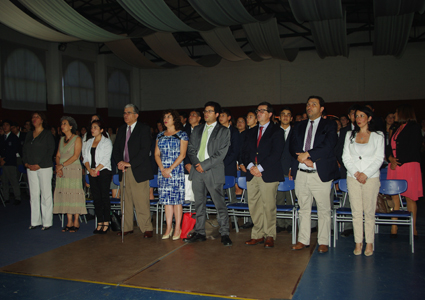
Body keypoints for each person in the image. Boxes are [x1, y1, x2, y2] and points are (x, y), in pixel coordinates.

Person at [290, 96, 339, 253]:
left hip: (320, 172)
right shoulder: (299, 125)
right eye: (308, 104)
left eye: (314, 104)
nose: (309, 107)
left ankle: (323, 241)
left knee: (323, 208)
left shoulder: (329, 124)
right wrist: (301, 157)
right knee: (303, 208)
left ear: (321, 108)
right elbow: (292, 145)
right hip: (301, 172)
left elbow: (329, 144)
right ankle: (303, 240)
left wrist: (310, 156)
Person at [184, 101, 232, 246]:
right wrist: (197, 165)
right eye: (205, 111)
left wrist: (203, 165)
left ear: (217, 114)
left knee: (219, 204)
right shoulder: (197, 129)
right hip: (197, 171)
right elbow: (191, 148)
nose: (206, 113)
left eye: (210, 111)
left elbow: (221, 153)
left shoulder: (223, 131)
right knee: (199, 203)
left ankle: (224, 233)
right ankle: (200, 232)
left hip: (212, 171)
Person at [342, 106, 385, 256]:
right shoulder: (349, 135)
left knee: (369, 211)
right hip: (353, 177)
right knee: (356, 212)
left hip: (370, 178)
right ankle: (358, 242)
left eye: (362, 116)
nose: (359, 119)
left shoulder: (378, 136)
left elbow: (379, 158)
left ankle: (369, 243)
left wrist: (365, 174)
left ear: (369, 118)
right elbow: (345, 157)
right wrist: (356, 173)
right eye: (357, 116)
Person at [242, 102, 284, 248]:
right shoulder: (250, 132)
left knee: (268, 205)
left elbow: (276, 154)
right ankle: (257, 235)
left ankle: (270, 235)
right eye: (257, 111)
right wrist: (250, 166)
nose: (258, 113)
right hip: (252, 173)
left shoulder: (277, 131)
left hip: (268, 173)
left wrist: (259, 167)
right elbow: (244, 153)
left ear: (270, 114)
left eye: (262, 111)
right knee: (254, 205)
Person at [112, 104, 154, 238]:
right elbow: (117, 149)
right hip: (123, 170)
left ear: (136, 115)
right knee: (125, 200)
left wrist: (129, 163)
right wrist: (120, 162)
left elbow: (144, 150)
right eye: (124, 113)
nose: (125, 115)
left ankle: (146, 228)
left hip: (138, 169)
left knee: (141, 200)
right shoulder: (122, 129)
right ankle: (127, 227)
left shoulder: (144, 129)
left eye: (128, 113)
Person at [387, 104, 423, 239]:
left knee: (410, 197)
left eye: (396, 112)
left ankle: (413, 229)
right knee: (394, 196)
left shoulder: (414, 128)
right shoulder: (396, 128)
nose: (394, 114)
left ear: (403, 113)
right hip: (395, 165)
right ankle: (394, 227)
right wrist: (391, 158)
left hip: (408, 165)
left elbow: (414, 147)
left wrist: (398, 160)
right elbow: (389, 145)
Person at [155, 110, 189, 240]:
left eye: (168, 117)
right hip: (162, 171)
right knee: (166, 201)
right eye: (164, 117)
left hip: (175, 170)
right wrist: (163, 168)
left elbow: (183, 155)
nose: (165, 119)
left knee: (176, 201)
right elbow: (157, 154)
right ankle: (168, 227)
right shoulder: (160, 135)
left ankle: (177, 228)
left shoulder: (182, 135)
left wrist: (170, 168)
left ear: (175, 119)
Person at [22, 112, 55, 230]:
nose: (34, 119)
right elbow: (24, 150)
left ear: (42, 120)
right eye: (33, 117)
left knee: (46, 194)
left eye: (37, 117)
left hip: (44, 167)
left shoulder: (47, 134)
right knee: (34, 195)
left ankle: (47, 222)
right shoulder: (29, 134)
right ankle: (35, 221)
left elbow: (50, 151)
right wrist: (26, 163)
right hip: (30, 168)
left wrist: (39, 164)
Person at [53, 117, 86, 232]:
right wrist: (58, 167)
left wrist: (62, 165)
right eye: (61, 124)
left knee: (74, 194)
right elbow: (57, 155)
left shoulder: (77, 139)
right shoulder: (61, 139)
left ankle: (76, 221)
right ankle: (69, 221)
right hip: (62, 169)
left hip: (73, 168)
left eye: (65, 124)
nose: (62, 126)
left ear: (71, 126)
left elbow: (76, 156)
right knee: (65, 194)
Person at [83, 120, 113, 234]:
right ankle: (99, 222)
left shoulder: (106, 142)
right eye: (91, 128)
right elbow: (85, 158)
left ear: (101, 130)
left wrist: (96, 169)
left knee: (104, 197)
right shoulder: (88, 142)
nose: (92, 130)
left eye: (95, 127)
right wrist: (90, 169)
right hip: (91, 172)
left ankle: (106, 222)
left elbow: (106, 158)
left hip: (103, 172)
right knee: (96, 198)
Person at [276, 107, 295, 233]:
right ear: (279, 117)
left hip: (289, 171)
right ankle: (279, 223)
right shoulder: (273, 132)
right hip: (276, 170)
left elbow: (297, 153)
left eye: (288, 115)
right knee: (278, 199)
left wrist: (292, 169)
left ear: (291, 118)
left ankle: (289, 223)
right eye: (283, 114)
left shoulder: (296, 133)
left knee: (290, 198)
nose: (285, 117)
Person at [219, 108, 240, 203]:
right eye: (219, 116)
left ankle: (234, 217)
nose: (220, 118)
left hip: (228, 166)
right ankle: (221, 216)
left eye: (223, 115)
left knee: (231, 195)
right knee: (219, 195)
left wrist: (223, 162)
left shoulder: (234, 132)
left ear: (229, 117)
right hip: (217, 167)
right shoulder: (216, 131)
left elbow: (235, 151)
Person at [0, 120, 21, 205]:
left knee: (13, 180)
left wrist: (4, 159)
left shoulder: (14, 137)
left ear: (10, 127)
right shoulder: (1, 137)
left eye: (7, 125)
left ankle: (17, 197)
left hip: (10, 162)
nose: (5, 127)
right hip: (2, 162)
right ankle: (6, 197)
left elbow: (13, 151)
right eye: (3, 125)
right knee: (4, 180)